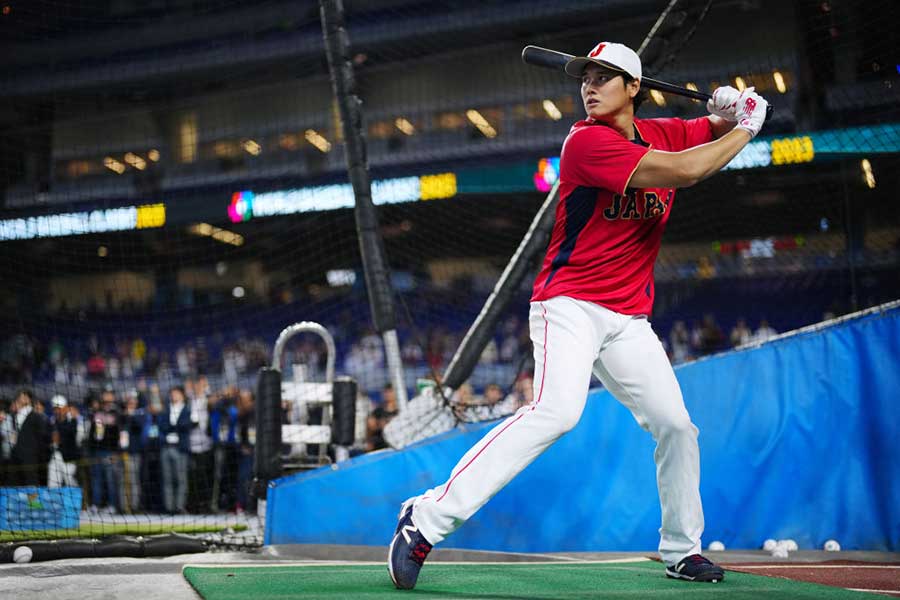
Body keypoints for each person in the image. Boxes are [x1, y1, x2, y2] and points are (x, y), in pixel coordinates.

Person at [388, 41, 769, 589]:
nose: (588, 86)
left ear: (634, 87)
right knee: (557, 412)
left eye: (603, 76)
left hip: (628, 318)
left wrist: (732, 108)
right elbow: (686, 171)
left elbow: (702, 128)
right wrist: (747, 128)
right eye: (584, 77)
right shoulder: (586, 143)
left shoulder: (660, 130)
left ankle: (682, 550)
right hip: (568, 304)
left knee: (677, 426)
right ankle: (422, 522)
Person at [159, 386, 192, 514]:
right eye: (172, 393)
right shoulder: (166, 409)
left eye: (176, 393)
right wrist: (174, 427)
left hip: (180, 448)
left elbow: (185, 425)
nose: (174, 396)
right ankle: (169, 507)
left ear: (182, 395)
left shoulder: (187, 409)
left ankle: (179, 506)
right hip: (166, 447)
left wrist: (172, 427)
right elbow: (162, 426)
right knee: (167, 479)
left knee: (181, 479)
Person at [10, 389, 52, 486]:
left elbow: (42, 436)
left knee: (31, 482)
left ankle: (34, 502)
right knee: (16, 483)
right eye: (20, 396)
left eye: (24, 396)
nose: (22, 398)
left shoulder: (36, 416)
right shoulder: (15, 416)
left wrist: (39, 454)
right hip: (16, 455)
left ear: (29, 400)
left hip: (30, 456)